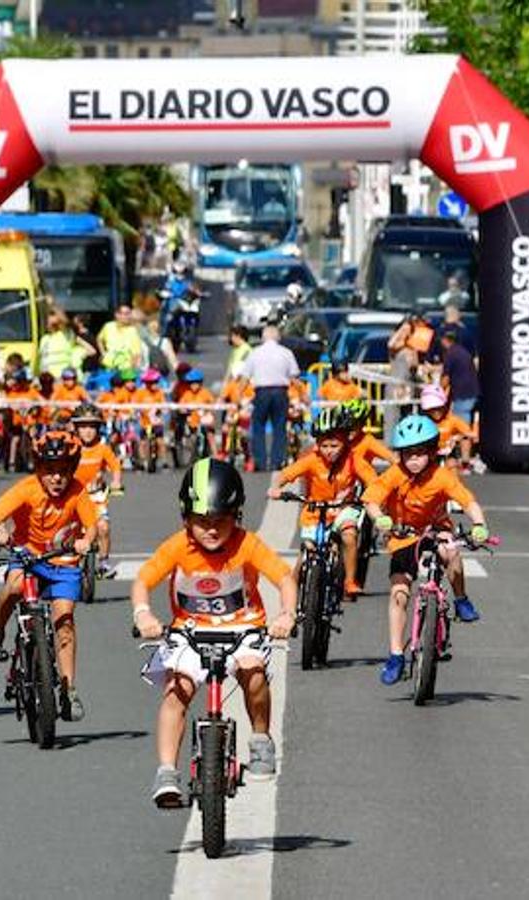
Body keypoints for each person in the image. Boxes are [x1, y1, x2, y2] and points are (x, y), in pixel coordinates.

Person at [134, 458, 296, 806]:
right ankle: (166, 771)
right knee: (176, 691)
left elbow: (283, 577)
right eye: (201, 522)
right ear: (186, 519)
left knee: (254, 675)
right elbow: (144, 579)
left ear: (235, 516)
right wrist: (143, 613)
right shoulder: (178, 546)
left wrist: (287, 614)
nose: (211, 530)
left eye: (220, 521)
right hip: (190, 630)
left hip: (243, 626)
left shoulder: (247, 544)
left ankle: (260, 738)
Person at [0, 431, 100, 720]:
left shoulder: (78, 491)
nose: (56, 478)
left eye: (63, 470)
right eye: (49, 471)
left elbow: (92, 525)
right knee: (13, 588)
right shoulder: (26, 488)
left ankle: (68, 689)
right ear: (37, 469)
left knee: (64, 621)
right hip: (28, 555)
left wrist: (86, 541)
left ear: (72, 470)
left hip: (63, 561)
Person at [364, 414, 489, 685]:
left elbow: (469, 502)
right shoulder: (395, 474)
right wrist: (380, 518)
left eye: (420, 453)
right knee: (399, 594)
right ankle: (397, 655)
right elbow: (372, 499)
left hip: (435, 530)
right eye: (408, 454)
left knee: (451, 550)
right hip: (403, 537)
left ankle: (461, 599)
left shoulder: (442, 476)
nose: (414, 460)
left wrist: (479, 524)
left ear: (432, 452)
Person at [268, 407, 376, 596]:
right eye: (324, 446)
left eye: (334, 446)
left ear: (345, 442)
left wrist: (373, 496)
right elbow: (287, 474)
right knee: (306, 554)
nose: (329, 451)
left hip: (343, 509)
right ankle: (291, 592)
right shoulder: (312, 460)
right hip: (315, 512)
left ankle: (349, 580)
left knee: (349, 535)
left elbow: (373, 480)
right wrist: (276, 488)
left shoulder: (353, 460)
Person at [70, 403, 122, 577]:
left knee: (103, 527)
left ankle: (104, 563)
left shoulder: (102, 448)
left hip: (96, 496)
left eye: (92, 426)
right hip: (73, 495)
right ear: (76, 428)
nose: (88, 431)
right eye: (83, 426)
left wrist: (116, 481)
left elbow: (115, 467)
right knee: (67, 530)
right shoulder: (71, 447)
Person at [244, 325, 299, 472]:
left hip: (261, 392)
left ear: (263, 337)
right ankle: (277, 461)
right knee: (279, 426)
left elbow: (245, 377)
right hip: (280, 391)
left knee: (258, 425)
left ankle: (260, 461)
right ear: (278, 337)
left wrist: (239, 395)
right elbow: (294, 377)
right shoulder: (286, 353)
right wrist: (304, 395)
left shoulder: (255, 353)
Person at [420, 383, 477, 470]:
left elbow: (472, 434)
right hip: (429, 455)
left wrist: (456, 437)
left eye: (439, 407)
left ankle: (465, 463)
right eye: (432, 409)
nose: (436, 411)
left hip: (448, 454)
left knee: (452, 465)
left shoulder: (451, 419)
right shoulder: (422, 421)